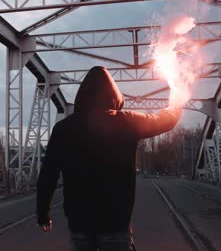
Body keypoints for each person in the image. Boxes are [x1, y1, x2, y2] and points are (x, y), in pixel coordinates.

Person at [36, 66, 183, 251]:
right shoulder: (127, 122)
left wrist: (43, 214)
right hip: (116, 223)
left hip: (79, 223)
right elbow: (165, 121)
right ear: (114, 94)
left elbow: (48, 174)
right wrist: (177, 102)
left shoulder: (63, 128)